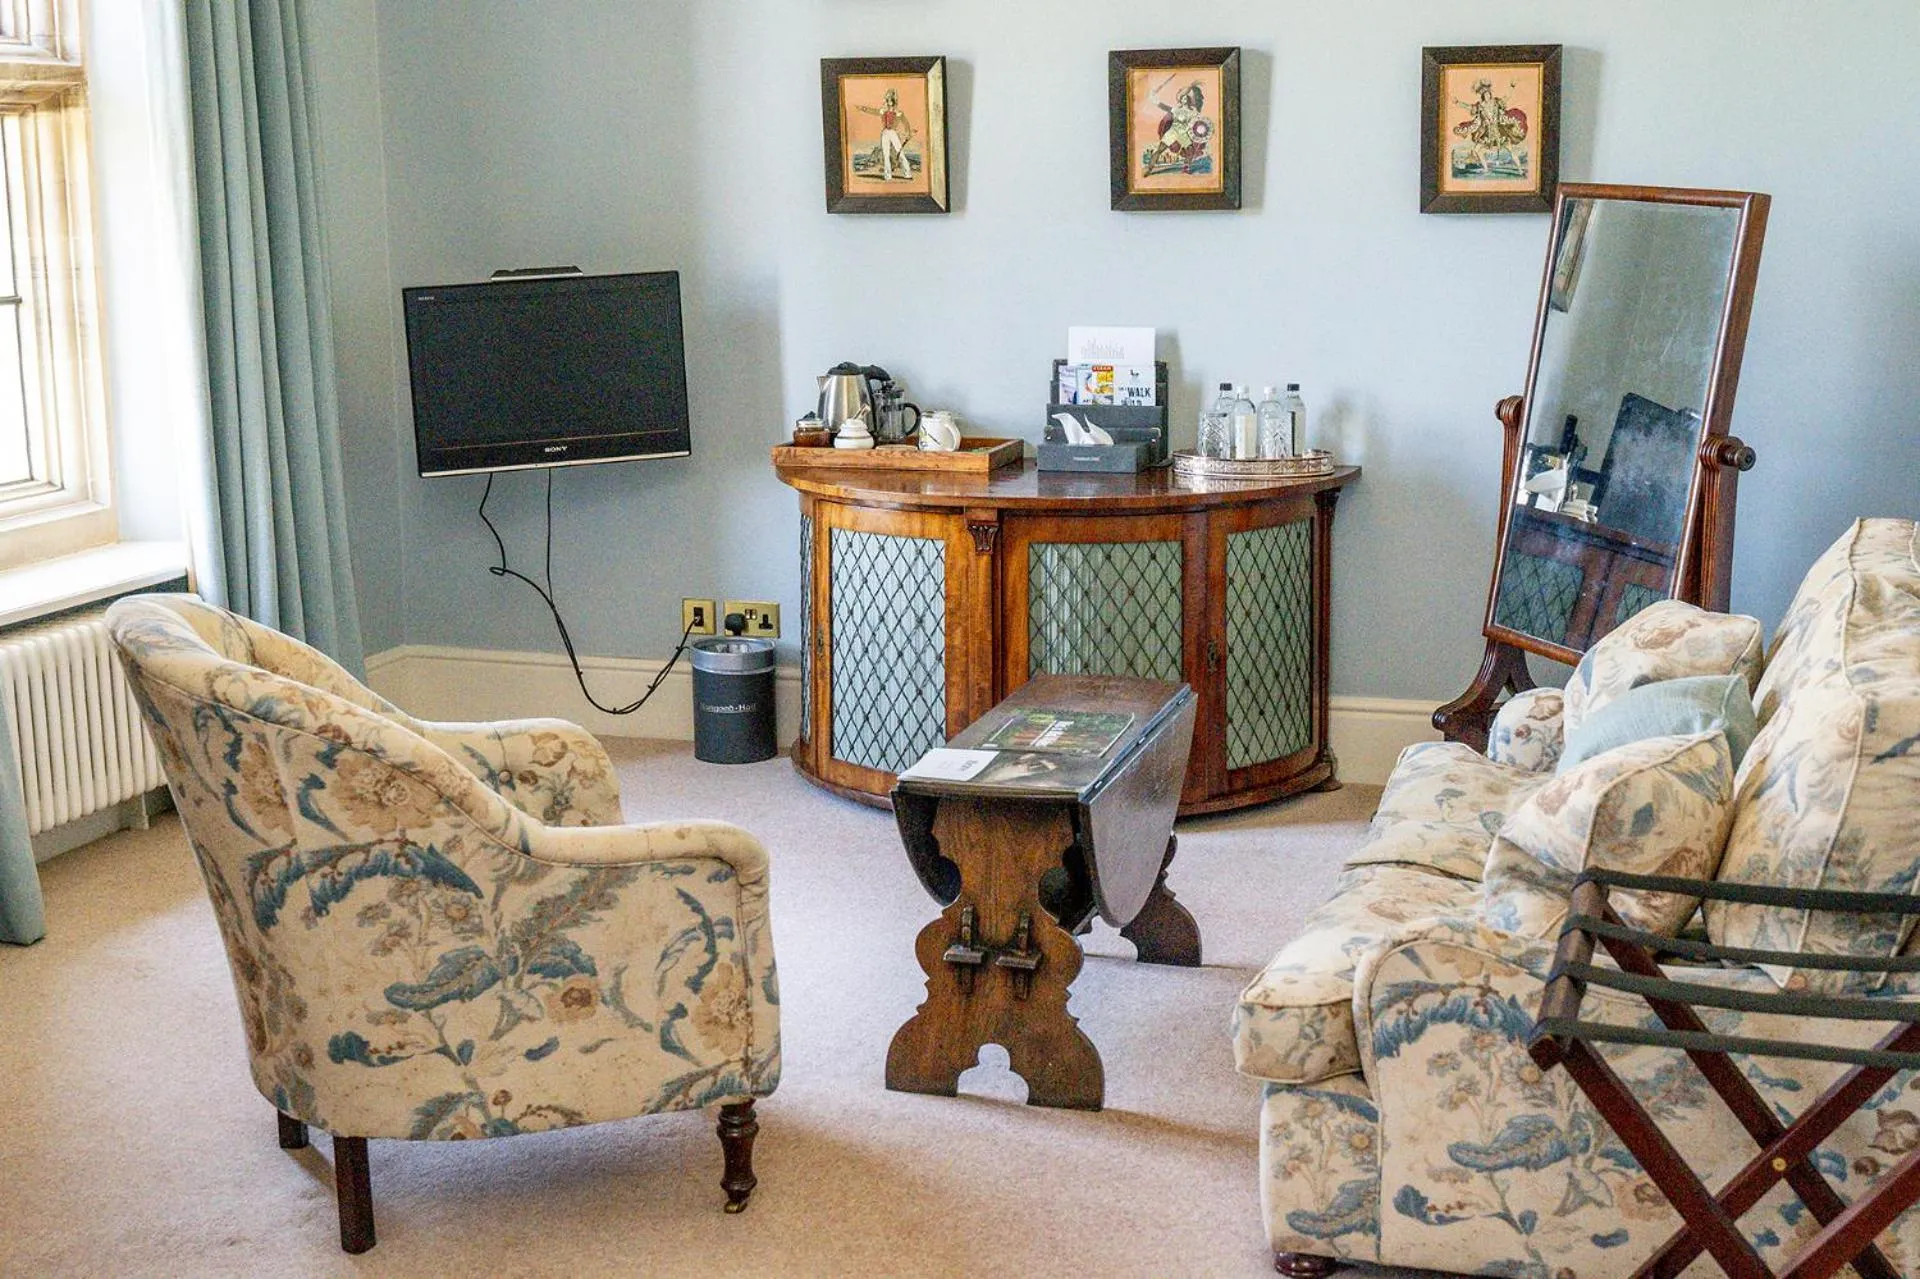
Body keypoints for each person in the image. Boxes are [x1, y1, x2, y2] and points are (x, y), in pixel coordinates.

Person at [1451, 78, 1529, 177]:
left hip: (1500, 132)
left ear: (1490, 94)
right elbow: (1469, 107)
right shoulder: (1480, 106)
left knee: (1510, 150)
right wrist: (1458, 103)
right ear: (1482, 95)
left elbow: (1506, 97)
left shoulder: (1496, 102)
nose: (1487, 95)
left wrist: (1512, 87)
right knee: (1477, 150)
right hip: (1486, 134)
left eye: (1488, 94)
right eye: (1485, 94)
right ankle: (1486, 168)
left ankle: (1520, 170)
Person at [856, 89, 915, 180]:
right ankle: (888, 176)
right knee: (886, 154)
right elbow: (872, 111)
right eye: (888, 100)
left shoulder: (899, 113)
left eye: (891, 100)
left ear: (894, 102)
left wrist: (908, 132)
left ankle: (908, 174)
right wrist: (863, 108)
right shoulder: (883, 111)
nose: (889, 102)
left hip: (893, 133)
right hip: (885, 133)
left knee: (900, 152)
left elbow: (906, 123)